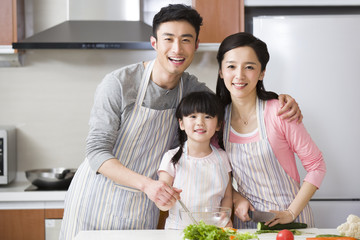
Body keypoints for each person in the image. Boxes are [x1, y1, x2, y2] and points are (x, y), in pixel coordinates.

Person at [60, 4, 301, 239]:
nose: (177, 49)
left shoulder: (193, 91)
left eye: (186, 40)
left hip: (145, 205)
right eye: (168, 39)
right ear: (154, 43)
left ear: (196, 45)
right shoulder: (120, 84)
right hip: (95, 200)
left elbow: (234, 110)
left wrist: (275, 100)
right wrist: (147, 185)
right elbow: (96, 151)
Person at [215, 32, 326, 229]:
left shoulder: (280, 112)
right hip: (249, 223)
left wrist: (290, 212)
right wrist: (237, 197)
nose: (239, 75)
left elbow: (316, 165)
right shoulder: (217, 120)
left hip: (292, 222)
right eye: (231, 66)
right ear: (221, 71)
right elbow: (217, 169)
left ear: (262, 73)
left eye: (249, 67)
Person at [156, 91, 232, 229]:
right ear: (181, 123)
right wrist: (164, 200)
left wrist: (225, 216)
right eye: (193, 116)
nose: (200, 122)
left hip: (213, 231)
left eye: (208, 116)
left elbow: (227, 196)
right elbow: (161, 198)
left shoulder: (222, 157)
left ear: (218, 125)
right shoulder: (171, 158)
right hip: (177, 231)